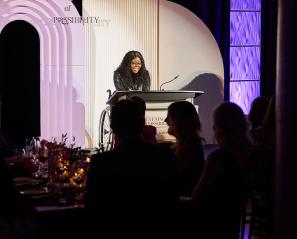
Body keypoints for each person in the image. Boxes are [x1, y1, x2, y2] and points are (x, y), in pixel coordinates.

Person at [85, 99, 176, 235]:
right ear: (142, 123)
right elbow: (172, 201)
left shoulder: (101, 162)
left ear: (113, 127)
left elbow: (92, 208)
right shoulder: (165, 156)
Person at [191, 102, 252, 238]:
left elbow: (197, 195)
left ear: (219, 127)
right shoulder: (250, 154)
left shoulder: (217, 159)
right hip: (233, 221)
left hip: (212, 222)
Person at [165, 101, 204, 197]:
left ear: (179, 121)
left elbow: (169, 178)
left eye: (169, 117)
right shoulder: (187, 144)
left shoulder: (186, 149)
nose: (165, 120)